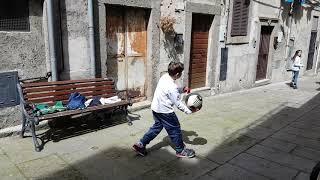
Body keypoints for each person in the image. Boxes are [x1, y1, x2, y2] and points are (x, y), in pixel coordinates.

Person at [132, 61, 196, 158]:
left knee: (156, 127)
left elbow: (170, 91)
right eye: (181, 73)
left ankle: (140, 144)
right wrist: (189, 111)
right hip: (165, 112)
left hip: (155, 108)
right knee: (175, 129)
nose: (181, 74)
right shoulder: (172, 86)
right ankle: (181, 150)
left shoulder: (165, 76)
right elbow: (178, 103)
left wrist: (182, 89)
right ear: (177, 74)